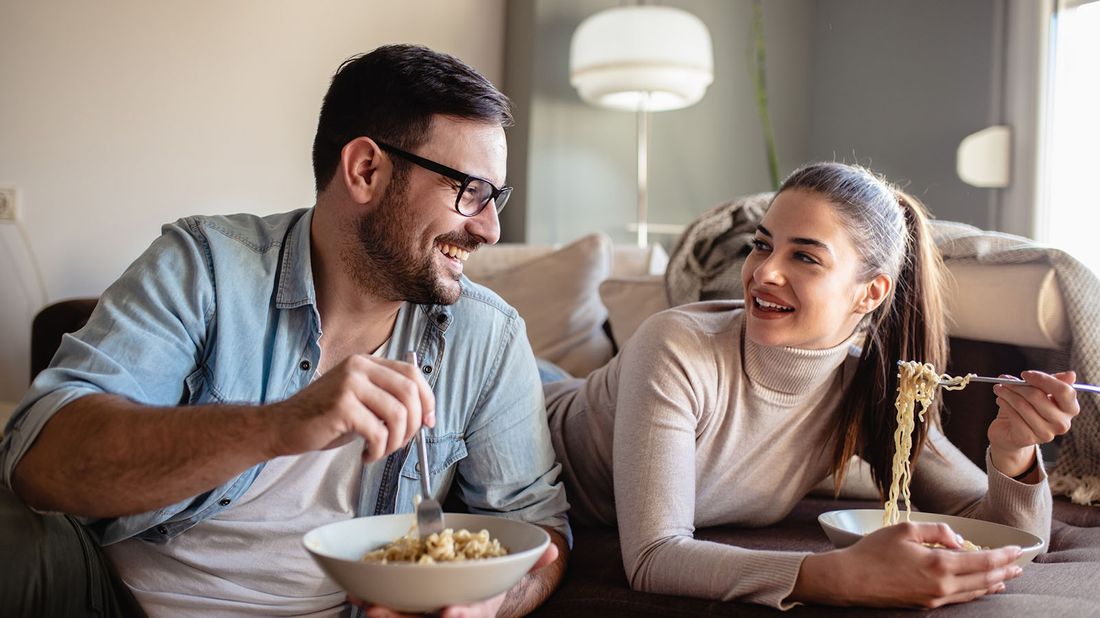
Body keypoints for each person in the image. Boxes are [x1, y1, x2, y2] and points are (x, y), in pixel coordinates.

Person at [0, 44, 569, 617]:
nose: (491, 229)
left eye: (495, 197)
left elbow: (537, 526)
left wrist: (492, 604)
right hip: (117, 602)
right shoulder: (206, 267)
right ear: (366, 170)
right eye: (469, 191)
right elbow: (40, 459)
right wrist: (278, 426)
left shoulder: (488, 338)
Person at [544, 161, 1080, 610]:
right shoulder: (678, 347)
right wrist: (838, 576)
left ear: (869, 293)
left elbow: (1004, 536)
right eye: (761, 244)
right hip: (526, 414)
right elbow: (653, 556)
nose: (763, 273)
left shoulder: (873, 387)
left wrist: (1014, 452)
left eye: (803, 256)